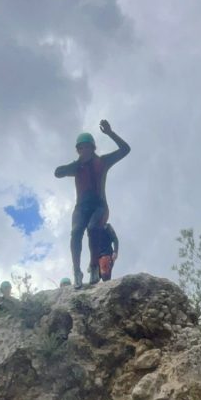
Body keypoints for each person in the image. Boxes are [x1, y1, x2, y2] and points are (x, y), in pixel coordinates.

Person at [54, 119, 130, 288]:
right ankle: (77, 271)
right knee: (76, 232)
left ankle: (94, 266)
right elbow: (57, 173)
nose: (83, 150)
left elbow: (125, 149)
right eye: (80, 148)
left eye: (86, 147)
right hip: (81, 207)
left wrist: (110, 133)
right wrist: (76, 164)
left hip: (99, 206)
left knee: (93, 228)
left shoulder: (102, 162)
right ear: (78, 150)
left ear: (92, 148)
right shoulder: (77, 167)